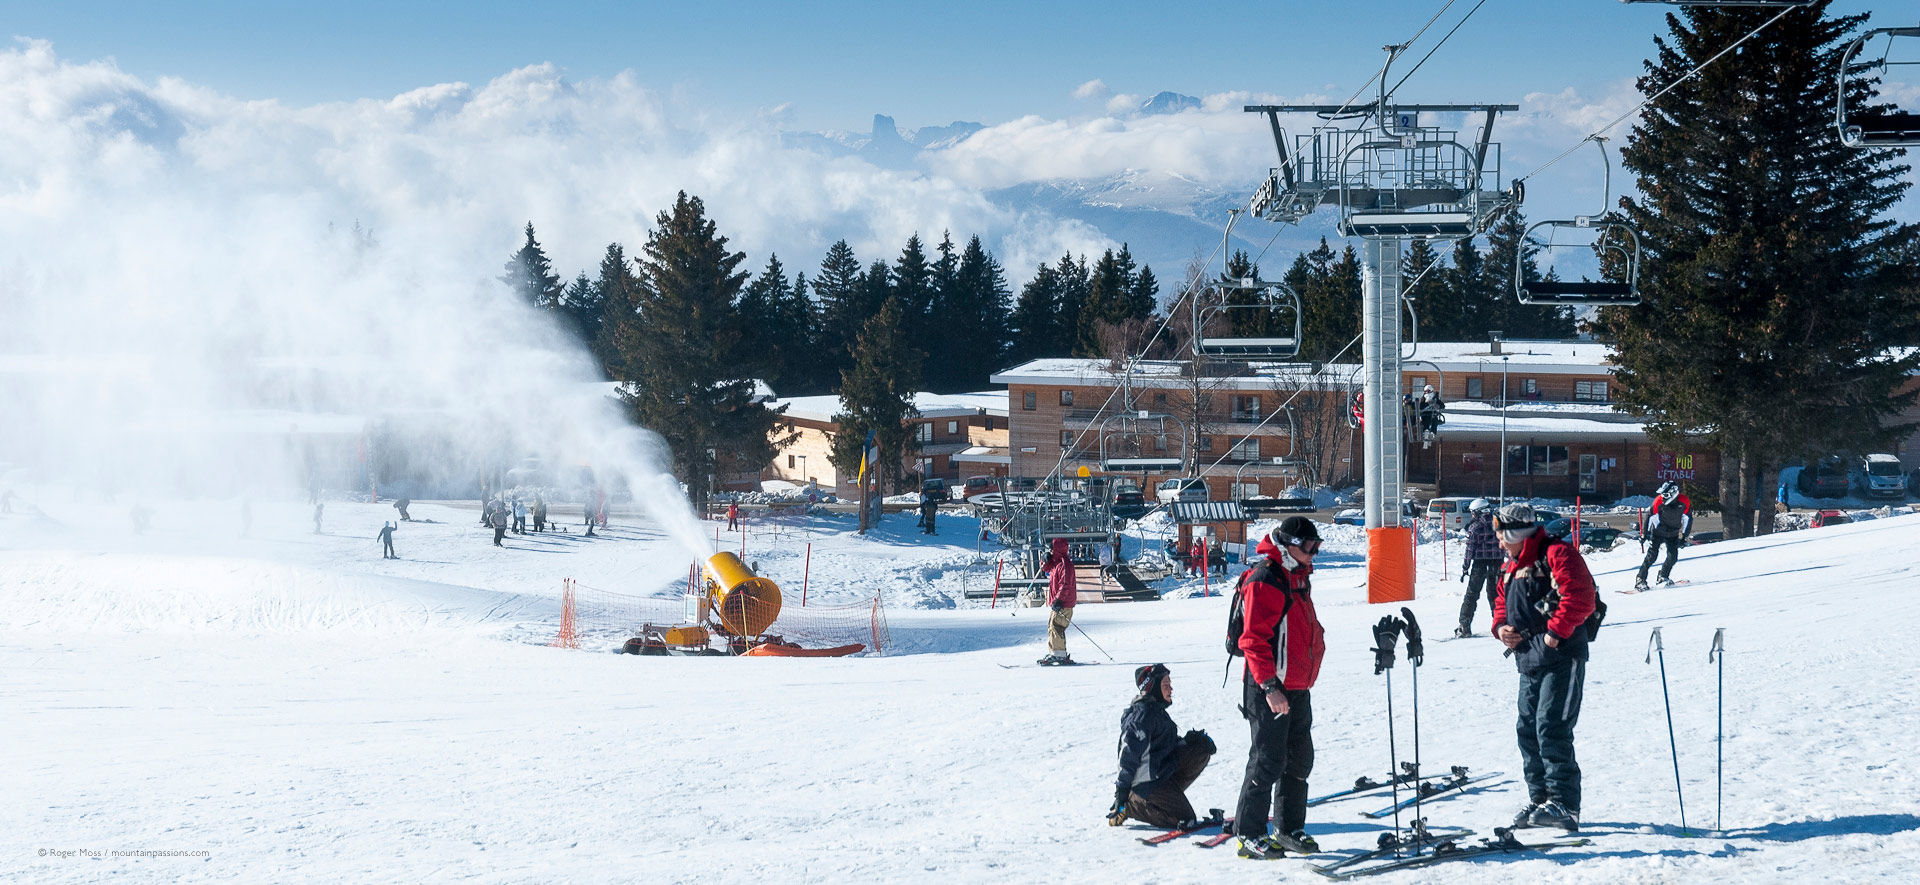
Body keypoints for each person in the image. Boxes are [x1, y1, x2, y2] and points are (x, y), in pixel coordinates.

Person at [1489, 502, 1597, 833]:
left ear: (1514, 533)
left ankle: (1563, 804)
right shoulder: (1510, 566)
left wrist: (1554, 635)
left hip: (1562, 655)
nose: (1499, 544)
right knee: (1527, 729)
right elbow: (1500, 602)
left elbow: (1581, 596)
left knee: (1551, 726)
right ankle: (1540, 801)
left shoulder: (1556, 553)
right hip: (1528, 658)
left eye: (1501, 536)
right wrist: (1501, 628)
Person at [1231, 516, 1326, 858]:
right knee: (1268, 760)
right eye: (1308, 546)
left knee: (1299, 759)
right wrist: (1270, 686)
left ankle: (1288, 828)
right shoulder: (1266, 578)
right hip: (1268, 686)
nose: (1313, 553)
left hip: (1297, 684)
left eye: (1317, 546)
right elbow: (1253, 640)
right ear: (1288, 545)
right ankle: (1249, 833)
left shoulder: (1297, 575)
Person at [1108, 664, 1217, 830]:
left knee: (1200, 749)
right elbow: (1127, 754)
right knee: (1185, 819)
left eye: (1170, 684)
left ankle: (1166, 797)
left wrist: (1189, 741)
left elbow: (1165, 746)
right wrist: (1122, 791)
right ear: (1152, 688)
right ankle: (1133, 805)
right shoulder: (1141, 717)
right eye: (1165, 685)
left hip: (1161, 773)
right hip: (1146, 782)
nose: (1171, 689)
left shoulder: (1156, 711)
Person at [1456, 498, 1502, 637]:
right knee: (1495, 595)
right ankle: (1500, 625)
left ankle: (1464, 626)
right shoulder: (1498, 523)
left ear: (1478, 512)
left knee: (1472, 595)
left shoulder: (1475, 527)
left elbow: (1470, 549)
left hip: (1479, 564)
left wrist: (1465, 567)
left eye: (1473, 513)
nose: (1472, 515)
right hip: (1497, 563)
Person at [1635, 482, 1692, 591]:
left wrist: (1684, 537)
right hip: (1658, 532)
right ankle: (1640, 579)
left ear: (1673, 493)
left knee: (1673, 557)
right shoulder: (1658, 502)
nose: (1662, 497)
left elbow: (1687, 519)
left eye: (1665, 495)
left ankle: (1663, 576)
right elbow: (1649, 517)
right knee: (1652, 556)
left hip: (1673, 533)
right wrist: (1644, 534)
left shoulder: (1684, 502)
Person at [1039, 538, 1077, 664]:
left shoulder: (1065, 565)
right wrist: (1045, 560)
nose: (1050, 551)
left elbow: (1066, 584)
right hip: (1059, 602)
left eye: (1051, 549)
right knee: (1053, 626)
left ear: (1057, 550)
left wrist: (1059, 600)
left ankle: (1058, 654)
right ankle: (1056, 652)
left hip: (1063, 604)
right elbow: (1045, 569)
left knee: (1056, 627)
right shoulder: (1056, 563)